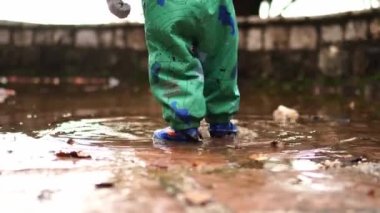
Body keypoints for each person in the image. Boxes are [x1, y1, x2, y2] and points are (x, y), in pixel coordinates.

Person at [107, 0, 240, 142]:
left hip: (167, 7)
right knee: (220, 55)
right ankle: (222, 121)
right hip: (217, 5)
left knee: (172, 57)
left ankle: (184, 127)